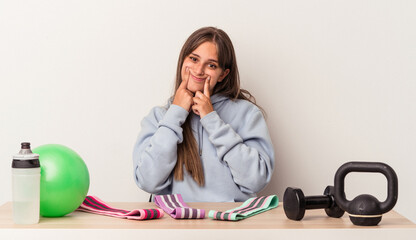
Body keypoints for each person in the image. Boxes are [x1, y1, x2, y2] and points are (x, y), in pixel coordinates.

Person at [133, 27, 274, 202]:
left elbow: (256, 180)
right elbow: (147, 181)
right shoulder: (159, 116)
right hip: (173, 224)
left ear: (223, 74)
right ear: (183, 60)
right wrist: (176, 113)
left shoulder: (247, 113)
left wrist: (211, 119)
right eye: (193, 59)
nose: (199, 70)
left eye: (211, 65)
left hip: (231, 223)